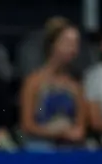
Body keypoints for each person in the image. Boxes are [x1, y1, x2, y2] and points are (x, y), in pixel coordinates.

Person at [19, 18, 86, 151]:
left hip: (69, 145)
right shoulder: (33, 82)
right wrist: (57, 133)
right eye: (67, 43)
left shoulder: (76, 85)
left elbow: (80, 127)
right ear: (52, 44)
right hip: (39, 143)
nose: (73, 49)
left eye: (76, 44)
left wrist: (74, 133)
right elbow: (27, 125)